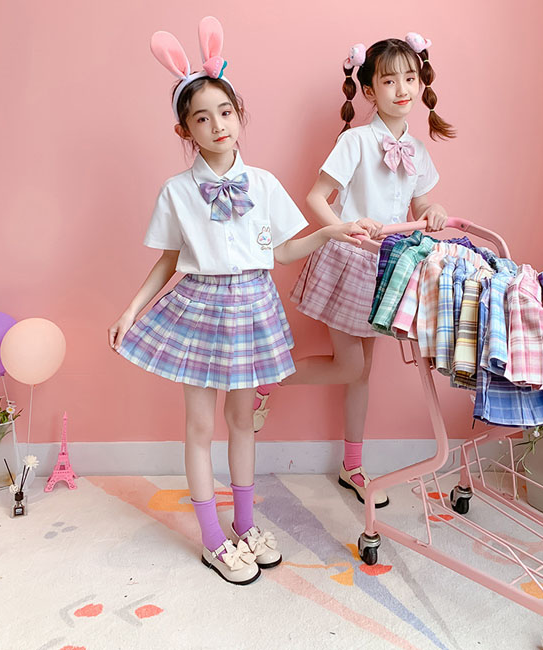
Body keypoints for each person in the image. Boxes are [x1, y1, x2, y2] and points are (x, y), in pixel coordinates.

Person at [108, 17, 366, 585]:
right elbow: (170, 260)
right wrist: (130, 310)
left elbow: (283, 251)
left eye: (225, 112)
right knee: (200, 426)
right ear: (185, 130)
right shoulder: (177, 192)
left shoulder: (265, 184)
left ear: (239, 114)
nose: (217, 124)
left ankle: (245, 525)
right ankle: (212, 539)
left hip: (253, 306)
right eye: (202, 117)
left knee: (243, 421)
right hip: (200, 308)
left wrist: (330, 232)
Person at [254, 33, 455, 508]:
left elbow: (420, 203)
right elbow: (315, 198)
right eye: (389, 81)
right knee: (350, 366)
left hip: (387, 267)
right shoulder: (356, 141)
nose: (402, 89)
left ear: (421, 82)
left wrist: (433, 210)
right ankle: (266, 380)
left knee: (361, 375)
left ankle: (352, 465)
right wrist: (343, 230)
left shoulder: (418, 149)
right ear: (369, 90)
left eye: (410, 78)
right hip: (348, 261)